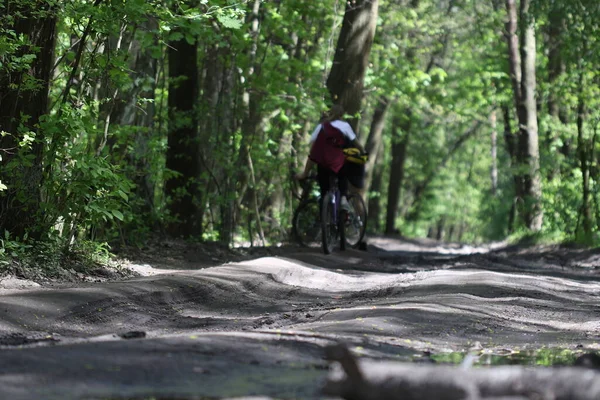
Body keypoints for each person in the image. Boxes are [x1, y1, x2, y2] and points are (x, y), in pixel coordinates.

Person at [296, 104, 365, 210]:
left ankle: (324, 218)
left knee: (324, 191)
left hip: (323, 163)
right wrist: (364, 153)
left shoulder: (322, 126)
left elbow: (312, 144)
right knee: (343, 175)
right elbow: (357, 144)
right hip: (338, 163)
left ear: (330, 113)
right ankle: (343, 198)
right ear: (342, 115)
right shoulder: (344, 126)